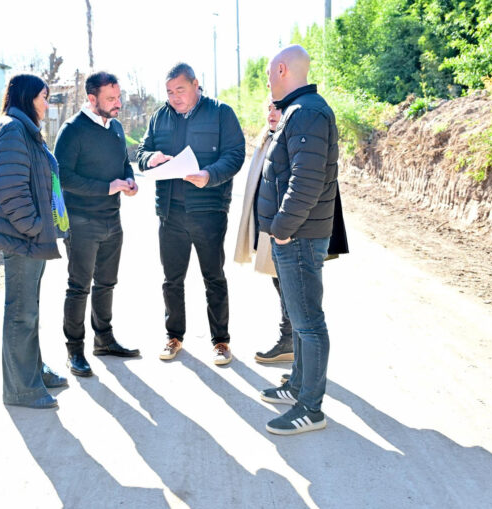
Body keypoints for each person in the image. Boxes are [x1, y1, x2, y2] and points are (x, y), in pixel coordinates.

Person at [0, 74, 69, 409]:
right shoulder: (12, 129)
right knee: (21, 312)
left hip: (33, 236)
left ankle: (33, 371)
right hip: (23, 237)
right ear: (26, 96)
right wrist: (34, 227)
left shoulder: (23, 128)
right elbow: (12, 191)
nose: (46, 103)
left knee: (30, 309)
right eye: (43, 96)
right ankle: (20, 389)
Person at [136, 63, 245, 365]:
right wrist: (151, 158)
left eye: (180, 90)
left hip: (209, 211)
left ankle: (221, 341)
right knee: (172, 279)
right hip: (170, 214)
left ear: (196, 84)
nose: (174, 97)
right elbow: (142, 153)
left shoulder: (221, 113)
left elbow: (235, 154)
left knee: (213, 277)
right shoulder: (160, 116)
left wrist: (210, 175)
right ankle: (174, 337)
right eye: (169, 92)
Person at [257, 45, 340, 434]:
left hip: (300, 236)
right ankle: (298, 387)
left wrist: (283, 229)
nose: (269, 81)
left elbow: (305, 182)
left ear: (283, 69)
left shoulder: (306, 112)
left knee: (308, 323)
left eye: (270, 73)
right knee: (302, 318)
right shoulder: (299, 111)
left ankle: (311, 408)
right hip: (297, 235)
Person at [54, 71, 140, 377]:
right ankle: (74, 351)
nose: (118, 104)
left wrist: (128, 180)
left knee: (107, 283)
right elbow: (63, 176)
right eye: (111, 99)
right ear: (92, 99)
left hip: (112, 219)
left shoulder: (115, 127)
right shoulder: (72, 130)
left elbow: (123, 164)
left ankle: (104, 339)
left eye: (119, 97)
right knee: (79, 287)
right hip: (81, 222)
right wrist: (107, 187)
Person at [233, 98, 295, 364]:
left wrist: (282, 227)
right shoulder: (268, 139)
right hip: (268, 228)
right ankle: (290, 341)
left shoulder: (288, 140)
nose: (271, 113)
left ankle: (291, 341)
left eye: (277, 109)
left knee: (289, 287)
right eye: (268, 108)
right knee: (280, 283)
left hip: (284, 230)